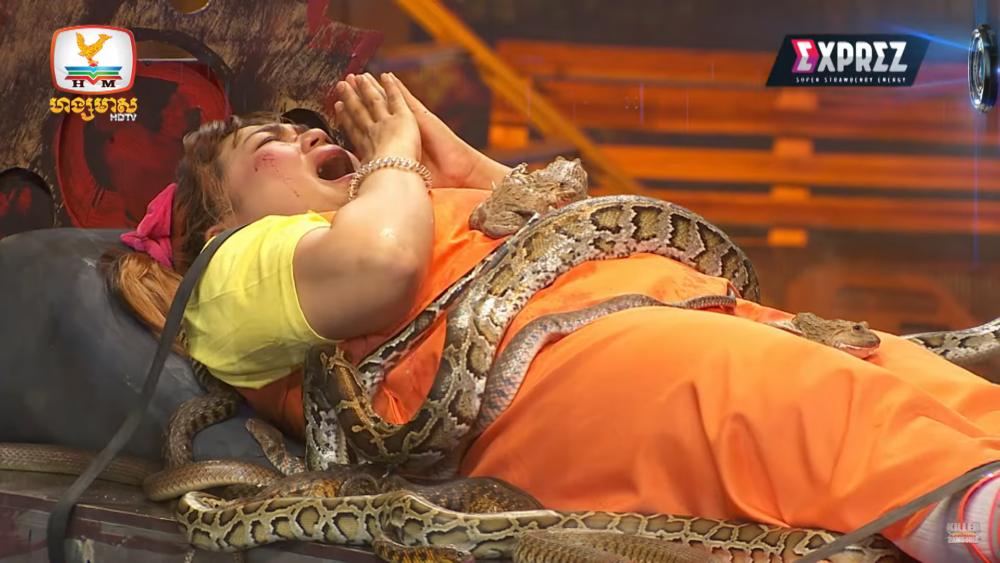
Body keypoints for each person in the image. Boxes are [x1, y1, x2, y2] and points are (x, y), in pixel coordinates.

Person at [105, 71, 1000, 563]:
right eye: (267, 144)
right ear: (216, 222)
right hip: (542, 387)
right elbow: (381, 268)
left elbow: (579, 223)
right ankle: (968, 516)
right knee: (759, 389)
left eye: (306, 128)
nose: (305, 134)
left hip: (656, 314)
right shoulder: (234, 264)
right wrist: (393, 158)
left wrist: (457, 165)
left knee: (892, 370)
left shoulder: (403, 198)